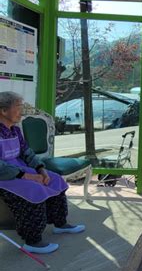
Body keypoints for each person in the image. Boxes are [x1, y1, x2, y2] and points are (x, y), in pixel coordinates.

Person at [0, 91, 85, 254]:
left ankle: (60, 224)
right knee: (34, 189)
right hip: (4, 176)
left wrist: (41, 169)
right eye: (18, 107)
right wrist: (28, 176)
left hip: (19, 170)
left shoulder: (15, 130)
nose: (21, 111)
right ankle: (32, 241)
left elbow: (26, 153)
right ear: (4, 111)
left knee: (55, 179)